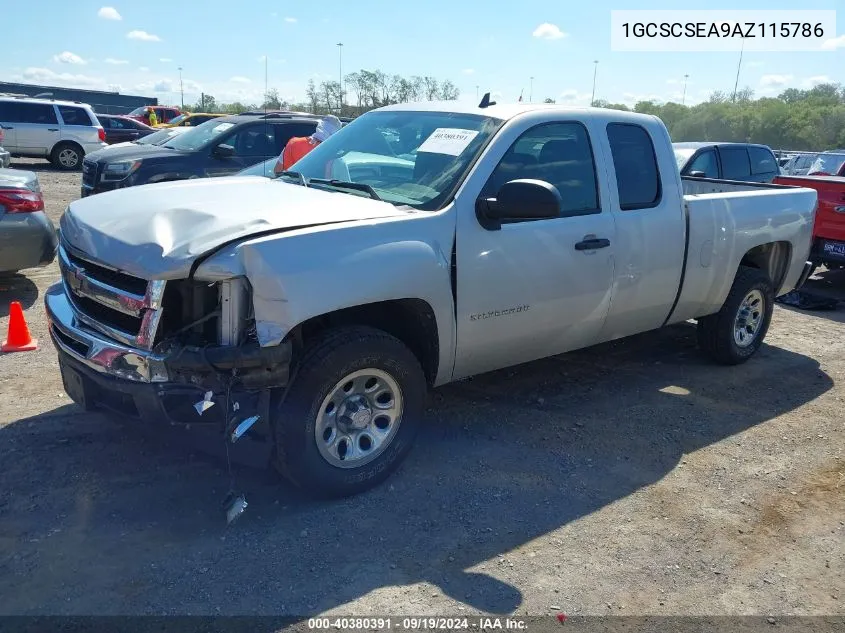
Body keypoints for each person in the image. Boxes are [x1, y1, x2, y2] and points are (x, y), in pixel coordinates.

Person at [274, 115, 342, 175]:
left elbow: (277, 171)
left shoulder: (293, 143)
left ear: (320, 126)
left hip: (289, 187)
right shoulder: (332, 153)